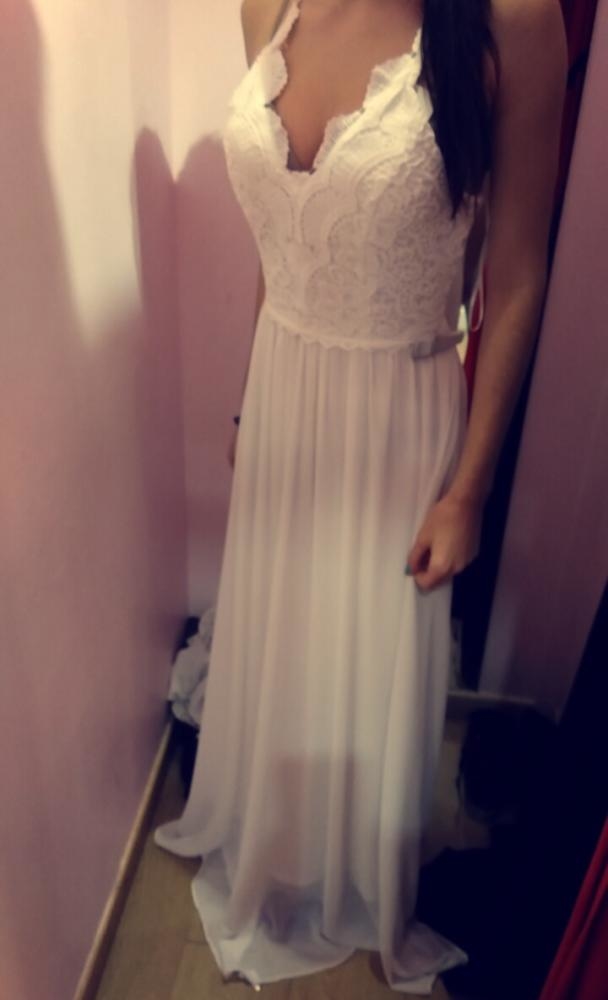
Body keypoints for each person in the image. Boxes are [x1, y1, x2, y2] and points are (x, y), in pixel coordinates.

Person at [154, 0, 567, 993]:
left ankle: (355, 875)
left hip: (397, 414)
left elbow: (515, 276)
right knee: (285, 634)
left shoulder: (512, 19)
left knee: (368, 658)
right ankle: (280, 843)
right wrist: (250, 405)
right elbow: (285, 240)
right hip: (284, 386)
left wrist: (468, 492)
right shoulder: (270, 5)